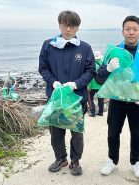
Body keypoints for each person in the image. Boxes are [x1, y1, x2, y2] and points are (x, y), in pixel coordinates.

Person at [96, 15, 139, 178]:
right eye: (128, 29)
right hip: (117, 100)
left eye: (135, 29)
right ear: (123, 31)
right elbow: (99, 78)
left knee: (137, 133)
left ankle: (135, 162)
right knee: (112, 132)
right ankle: (112, 160)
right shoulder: (114, 52)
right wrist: (109, 68)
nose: (131, 32)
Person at [38, 10, 95, 176]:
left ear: (77, 27)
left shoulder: (84, 48)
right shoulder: (49, 45)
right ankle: (61, 158)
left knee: (76, 131)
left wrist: (75, 84)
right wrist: (52, 81)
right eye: (64, 24)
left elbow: (90, 70)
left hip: (77, 98)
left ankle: (75, 161)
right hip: (55, 97)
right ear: (59, 24)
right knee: (55, 130)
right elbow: (43, 68)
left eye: (72, 25)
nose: (68, 29)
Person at [88, 51, 104, 117]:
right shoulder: (102, 64)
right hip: (101, 85)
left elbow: (90, 76)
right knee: (101, 99)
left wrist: (89, 85)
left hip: (93, 85)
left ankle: (93, 113)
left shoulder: (92, 65)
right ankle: (101, 112)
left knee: (91, 99)